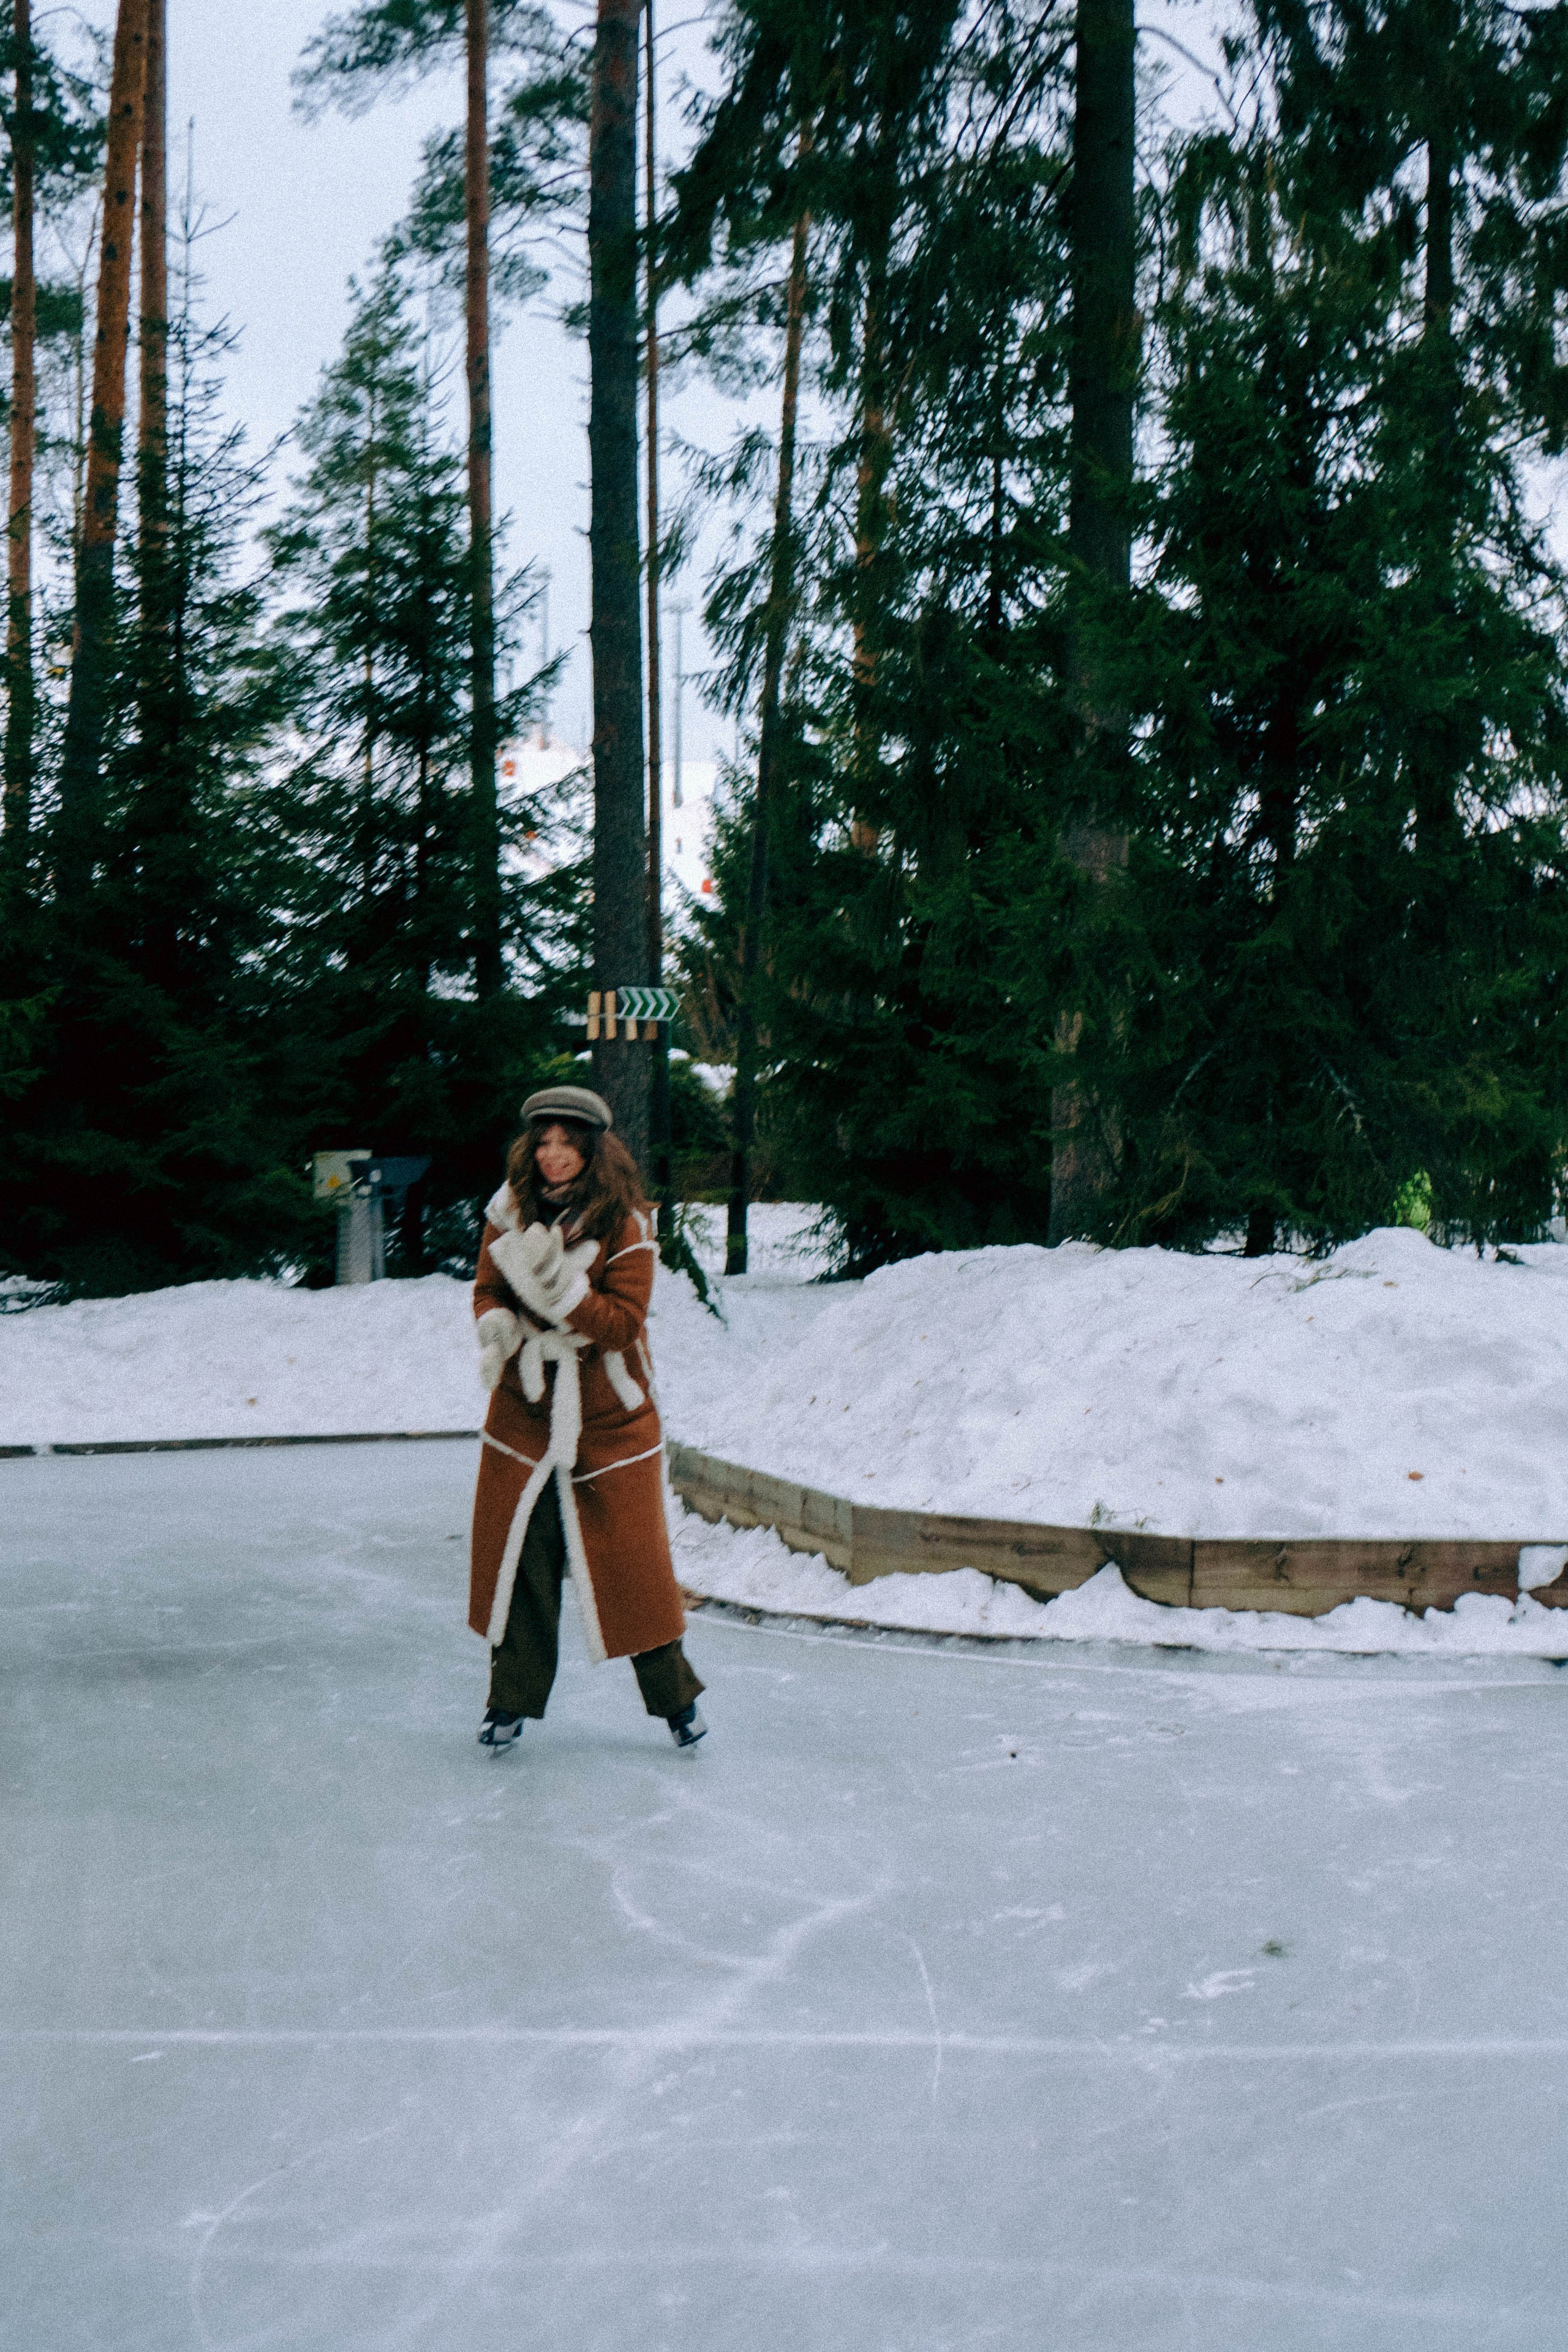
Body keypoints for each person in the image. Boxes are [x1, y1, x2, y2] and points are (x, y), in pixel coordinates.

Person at [467, 1084, 707, 1752]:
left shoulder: (625, 1225)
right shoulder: (507, 1213)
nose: (551, 1157)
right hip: (525, 1411)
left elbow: (621, 1325)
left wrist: (559, 1291)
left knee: (631, 1570)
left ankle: (677, 1704)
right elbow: (488, 1287)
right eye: (542, 1143)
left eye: (565, 1146)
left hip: (610, 1416)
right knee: (523, 1565)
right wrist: (496, 1331)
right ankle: (507, 1704)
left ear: (592, 1153)